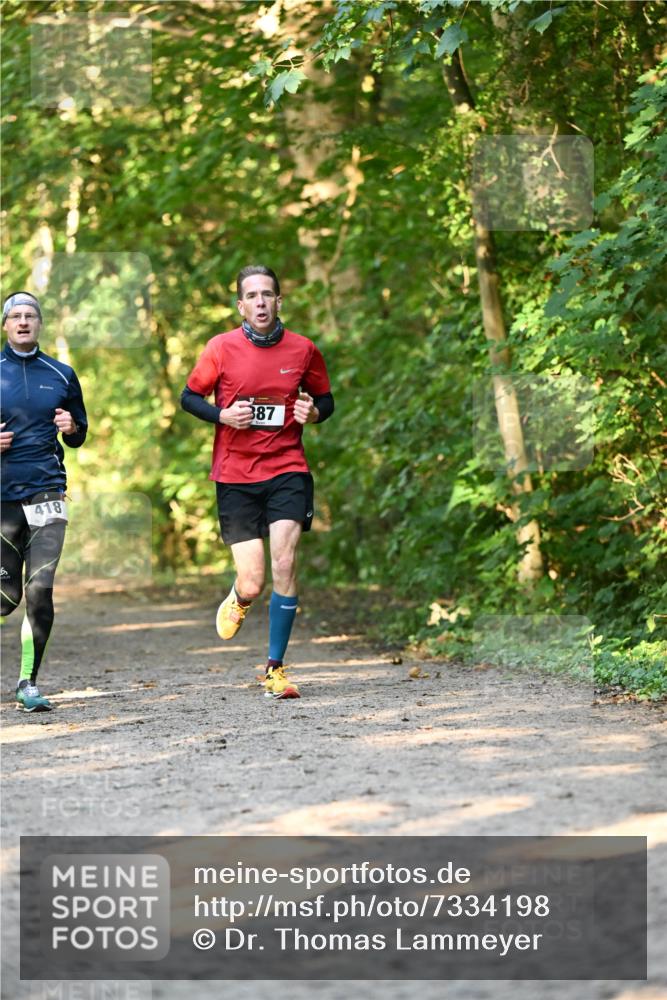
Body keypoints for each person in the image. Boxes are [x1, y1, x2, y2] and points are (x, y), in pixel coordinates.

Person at [181, 265, 334, 699]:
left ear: (279, 302)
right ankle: (241, 598)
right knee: (253, 580)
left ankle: (274, 669)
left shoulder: (303, 350)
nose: (261, 302)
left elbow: (325, 399)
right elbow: (189, 396)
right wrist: (222, 414)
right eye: (253, 296)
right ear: (241, 306)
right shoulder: (220, 348)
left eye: (268, 294)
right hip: (235, 475)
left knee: (285, 563)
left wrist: (314, 413)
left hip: (288, 468)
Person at [0, 291, 88, 712]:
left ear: (39, 323)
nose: (22, 321)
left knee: (41, 589)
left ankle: (27, 682)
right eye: (15, 316)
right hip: (2, 498)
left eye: (30, 315)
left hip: (48, 492)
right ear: (5, 325)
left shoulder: (62, 373)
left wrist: (71, 426)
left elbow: (79, 433)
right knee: (6, 597)